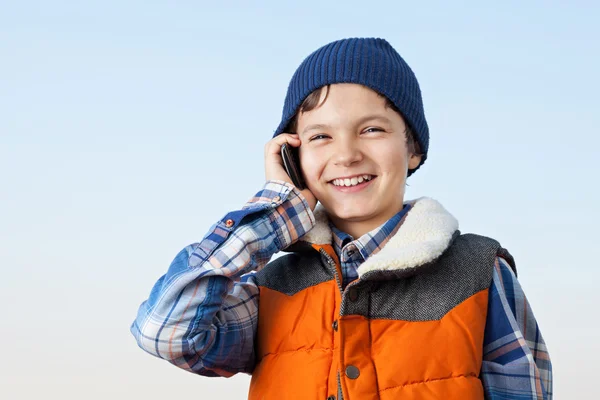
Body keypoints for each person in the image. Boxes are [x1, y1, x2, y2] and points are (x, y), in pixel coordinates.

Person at [131, 37, 552, 399]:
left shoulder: (478, 271)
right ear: (292, 158)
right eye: (320, 136)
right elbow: (164, 331)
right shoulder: (271, 290)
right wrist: (274, 212)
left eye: (372, 130)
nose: (346, 154)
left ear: (413, 150)